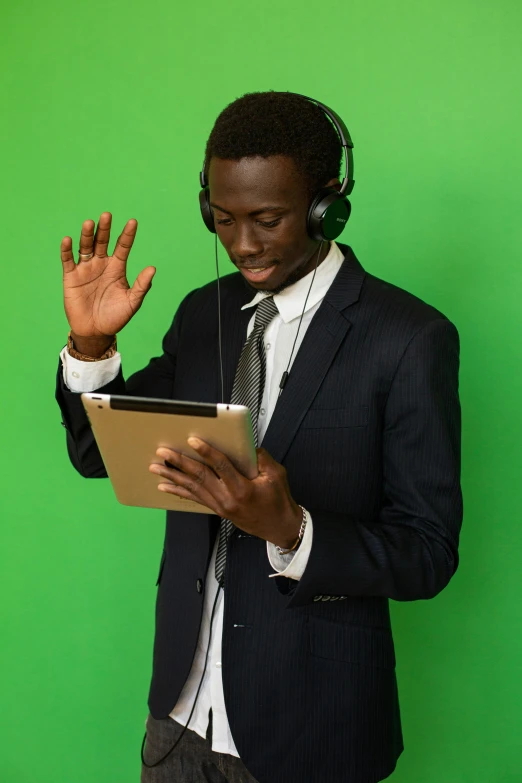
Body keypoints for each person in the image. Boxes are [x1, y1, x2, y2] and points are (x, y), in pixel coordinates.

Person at [55, 91, 463, 783]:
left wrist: (293, 530)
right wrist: (91, 343)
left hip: (310, 730)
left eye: (268, 219)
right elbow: (99, 451)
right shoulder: (202, 312)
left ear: (327, 202)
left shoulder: (408, 338)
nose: (242, 244)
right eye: (223, 218)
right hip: (179, 718)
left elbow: (428, 552)